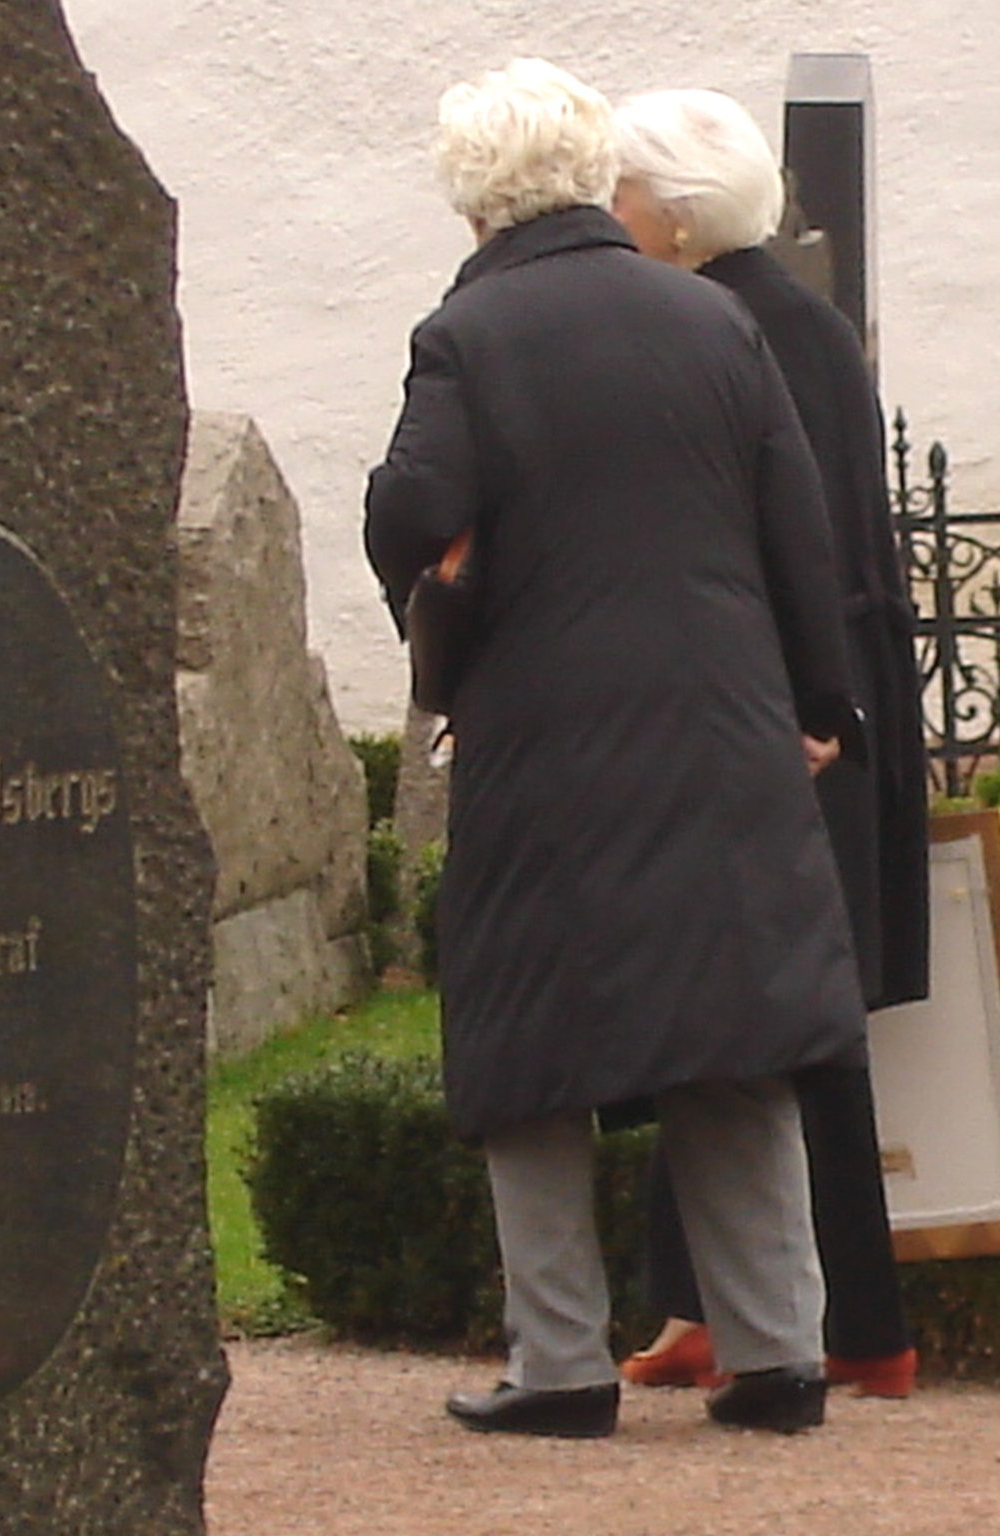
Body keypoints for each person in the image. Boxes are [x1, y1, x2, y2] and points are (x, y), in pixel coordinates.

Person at [364, 58, 871, 1440]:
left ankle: (561, 1367)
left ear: (472, 192)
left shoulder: (465, 337)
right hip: (720, 721)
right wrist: (817, 708)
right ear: (591, 172)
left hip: (549, 733)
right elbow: (795, 531)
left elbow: (415, 507)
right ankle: (778, 1358)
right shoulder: (714, 323)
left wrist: (438, 580)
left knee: (529, 1041)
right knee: (736, 1030)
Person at [607, 87, 932, 1400]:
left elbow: (756, 545)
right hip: (819, 701)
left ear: (674, 221)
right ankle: (699, 1304)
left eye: (624, 194)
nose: (610, 217)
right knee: (751, 1005)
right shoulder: (801, 323)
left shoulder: (728, 327)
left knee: (790, 1015)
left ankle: (860, 1327)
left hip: (778, 713)